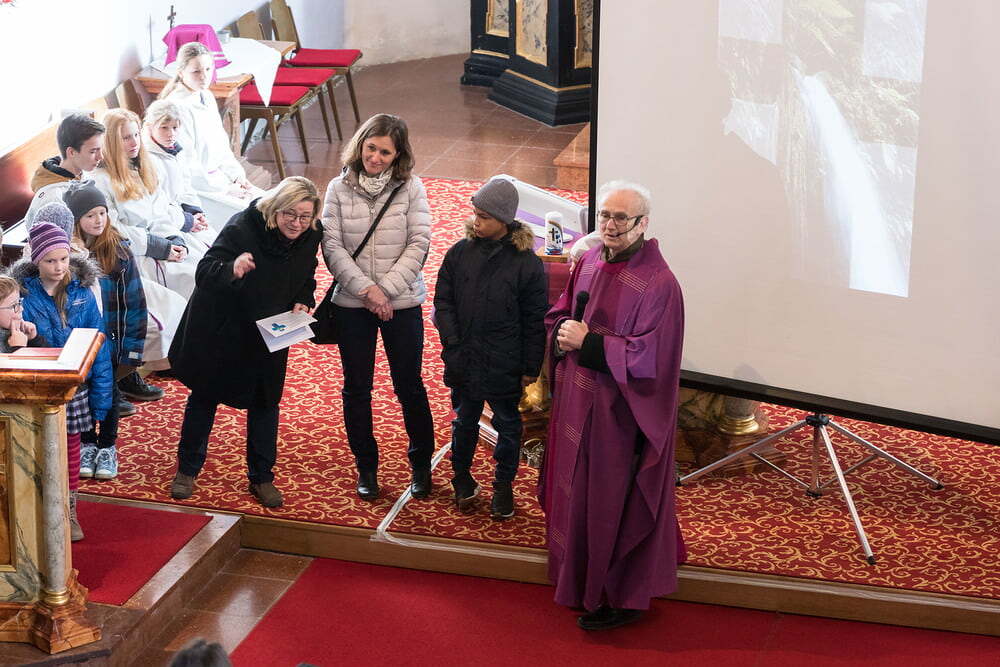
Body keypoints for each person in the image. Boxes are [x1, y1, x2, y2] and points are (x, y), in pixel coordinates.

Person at [540, 181, 686, 631]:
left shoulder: (659, 284)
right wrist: (561, 331)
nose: (610, 225)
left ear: (643, 224)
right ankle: (576, 579)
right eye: (605, 215)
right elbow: (562, 313)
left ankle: (619, 594)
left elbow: (652, 357)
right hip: (576, 403)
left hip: (618, 418)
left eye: (622, 217)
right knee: (574, 492)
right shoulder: (588, 260)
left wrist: (591, 344)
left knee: (608, 502)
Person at [169, 176, 323, 509]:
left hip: (270, 329)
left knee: (266, 401)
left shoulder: (312, 233)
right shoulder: (243, 227)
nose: (297, 223)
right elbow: (205, 271)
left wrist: (303, 298)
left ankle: (262, 477)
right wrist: (232, 268)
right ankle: (187, 470)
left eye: (304, 216)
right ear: (275, 209)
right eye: (290, 214)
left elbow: (306, 272)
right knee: (205, 396)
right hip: (224, 325)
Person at [321, 113, 434, 502]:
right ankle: (366, 466)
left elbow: (419, 242)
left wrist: (385, 290)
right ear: (360, 145)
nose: (376, 157)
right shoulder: (337, 187)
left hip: (401, 300)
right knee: (357, 388)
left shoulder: (411, 187)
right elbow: (332, 246)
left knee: (410, 385)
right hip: (353, 303)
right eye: (371, 148)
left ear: (397, 154)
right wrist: (367, 290)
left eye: (385, 152)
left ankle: (421, 464)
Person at [433, 178, 548, 519]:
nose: (476, 222)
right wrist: (452, 343)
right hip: (465, 357)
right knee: (464, 421)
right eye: (475, 214)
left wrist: (530, 367)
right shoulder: (460, 252)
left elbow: (534, 319)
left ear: (504, 220)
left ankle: (503, 487)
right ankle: (462, 479)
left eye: (484, 217)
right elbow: (443, 301)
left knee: (509, 426)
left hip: (504, 361)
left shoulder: (527, 263)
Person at [7, 222, 113, 541]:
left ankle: (69, 510)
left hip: (75, 385)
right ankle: (39, 511)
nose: (58, 267)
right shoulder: (24, 295)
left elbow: (98, 346)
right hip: (39, 385)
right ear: (36, 261)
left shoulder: (82, 292)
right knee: (39, 451)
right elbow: (19, 344)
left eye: (63, 259)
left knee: (70, 451)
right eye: (50, 260)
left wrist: (102, 398)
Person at [64, 181, 148, 480]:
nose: (98, 220)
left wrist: (133, 348)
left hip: (111, 339)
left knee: (109, 392)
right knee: (83, 393)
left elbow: (135, 303)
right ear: (76, 220)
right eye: (90, 215)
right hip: (79, 339)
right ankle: (87, 443)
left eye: (102, 212)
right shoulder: (68, 255)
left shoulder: (119, 250)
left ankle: (108, 446)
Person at [159, 41, 261, 228]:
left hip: (219, 178)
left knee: (269, 203)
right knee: (254, 218)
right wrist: (226, 188)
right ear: (181, 73)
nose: (204, 76)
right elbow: (187, 165)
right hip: (200, 189)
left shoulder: (205, 96)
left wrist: (237, 176)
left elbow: (221, 145)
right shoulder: (177, 107)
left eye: (208, 69)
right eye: (196, 71)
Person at [143, 99, 220, 233]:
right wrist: (187, 221)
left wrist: (194, 211)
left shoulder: (176, 151)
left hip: (181, 214)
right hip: (164, 223)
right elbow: (156, 205)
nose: (171, 134)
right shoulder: (147, 158)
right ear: (150, 127)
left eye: (175, 127)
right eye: (164, 127)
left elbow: (185, 185)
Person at [22, 113, 105, 225]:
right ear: (71, 152)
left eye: (100, 150)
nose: (100, 157)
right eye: (93, 151)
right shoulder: (53, 199)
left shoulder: (84, 175)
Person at [0, 276, 45, 352]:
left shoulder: (15, 332)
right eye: (13, 306)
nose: (21, 308)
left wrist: (34, 340)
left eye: (19, 302)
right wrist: (18, 348)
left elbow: (46, 358)